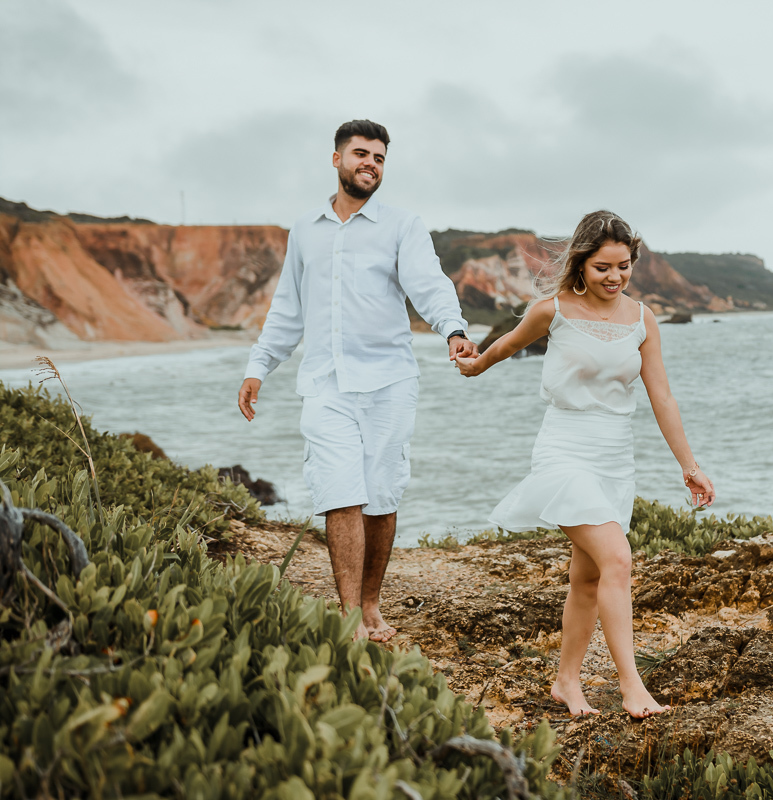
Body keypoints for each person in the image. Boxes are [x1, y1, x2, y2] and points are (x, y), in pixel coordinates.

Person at [454, 210, 715, 718]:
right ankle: (632, 687)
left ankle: (566, 682)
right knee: (618, 559)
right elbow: (506, 346)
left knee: (589, 579)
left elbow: (662, 396)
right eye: (602, 267)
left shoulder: (642, 319)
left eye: (623, 266)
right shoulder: (552, 311)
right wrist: (475, 364)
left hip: (615, 459)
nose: (614, 277)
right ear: (581, 263)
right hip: (564, 450)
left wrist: (689, 466)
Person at [237, 119, 478, 642]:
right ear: (337, 159)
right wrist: (259, 367)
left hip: (390, 382)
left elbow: (429, 285)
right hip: (325, 384)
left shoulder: (402, 225)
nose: (371, 163)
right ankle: (351, 616)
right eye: (361, 154)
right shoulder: (305, 230)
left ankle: (371, 605)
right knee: (339, 493)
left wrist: (453, 330)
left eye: (379, 158)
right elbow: (287, 308)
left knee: (381, 498)